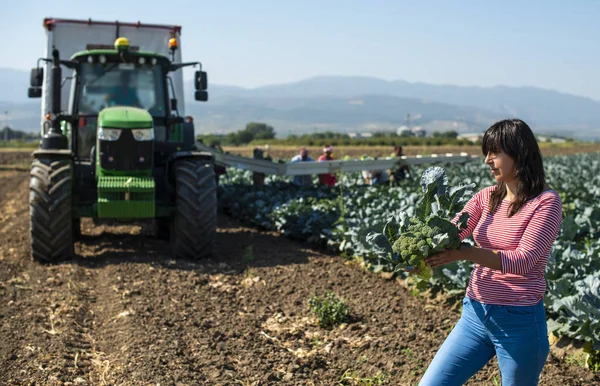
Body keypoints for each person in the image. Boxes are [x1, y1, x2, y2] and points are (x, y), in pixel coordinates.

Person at [417, 119, 563, 386]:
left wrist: (466, 253)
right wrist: (419, 255)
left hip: (519, 322)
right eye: (486, 152)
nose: (487, 160)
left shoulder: (546, 203)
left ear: (519, 152)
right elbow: (450, 234)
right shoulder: (485, 197)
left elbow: (524, 261)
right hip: (475, 313)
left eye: (494, 152)